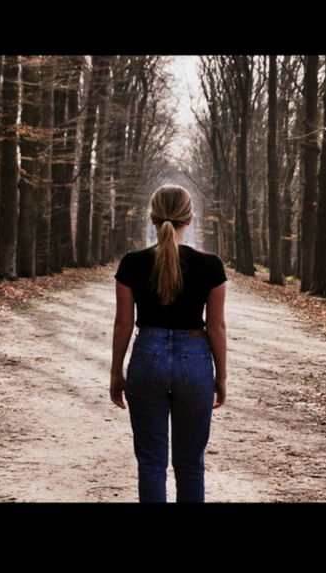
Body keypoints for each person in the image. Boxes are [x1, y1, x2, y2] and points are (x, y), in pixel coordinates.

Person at [110, 184, 227, 503]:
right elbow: (216, 327)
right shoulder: (211, 265)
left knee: (151, 464)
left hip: (147, 357)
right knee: (190, 464)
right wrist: (221, 377)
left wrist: (116, 373)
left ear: (152, 218)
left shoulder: (132, 263)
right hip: (195, 360)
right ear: (190, 219)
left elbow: (123, 324)